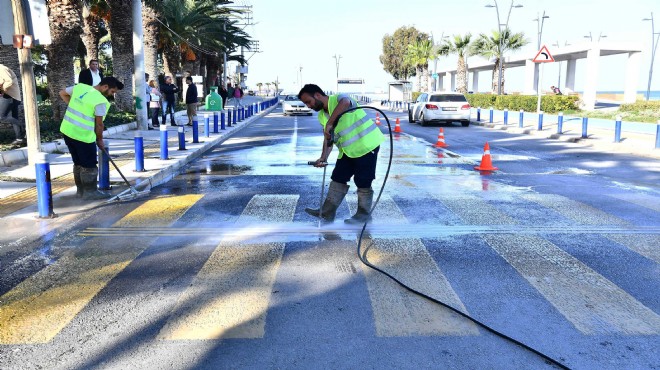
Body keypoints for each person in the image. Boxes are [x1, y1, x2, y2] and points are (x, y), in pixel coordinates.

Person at [298, 83, 384, 224]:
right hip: (348, 150)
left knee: (363, 180)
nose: (308, 106)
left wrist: (330, 123)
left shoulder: (339, 99)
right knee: (338, 177)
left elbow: (345, 102)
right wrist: (323, 157)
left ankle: (363, 215)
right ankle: (327, 212)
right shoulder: (321, 116)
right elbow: (328, 138)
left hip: (367, 145)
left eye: (309, 101)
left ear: (318, 95)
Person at [59, 76, 124, 200]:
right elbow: (99, 124)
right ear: (105, 86)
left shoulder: (80, 87)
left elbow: (62, 93)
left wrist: (74, 105)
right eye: (112, 91)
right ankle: (90, 192)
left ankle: (80, 192)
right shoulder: (101, 101)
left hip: (67, 131)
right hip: (83, 136)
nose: (111, 94)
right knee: (89, 165)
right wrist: (100, 140)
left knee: (78, 163)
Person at [0, 64, 24, 146]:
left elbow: (9, 81)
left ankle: (24, 126)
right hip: (14, 96)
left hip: (9, 96)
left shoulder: (1, 68)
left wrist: (2, 90)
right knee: (14, 117)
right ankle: (19, 139)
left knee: (2, 116)